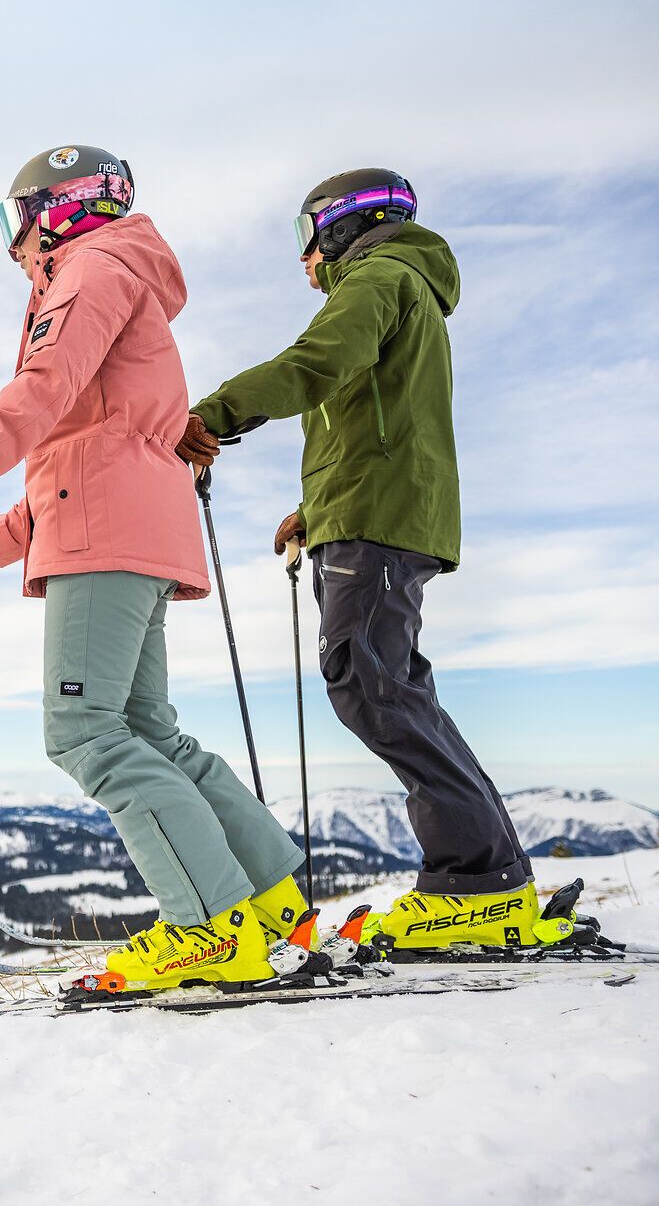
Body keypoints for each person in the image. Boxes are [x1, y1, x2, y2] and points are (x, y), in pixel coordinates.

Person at [0, 145, 309, 990]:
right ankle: (269, 905)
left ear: (62, 207)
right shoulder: (120, 276)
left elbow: (39, 398)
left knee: (85, 732)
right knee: (149, 731)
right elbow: (93, 445)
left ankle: (211, 930)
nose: (13, 245)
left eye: (16, 218)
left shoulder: (91, 270)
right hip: (128, 528)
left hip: (105, 539)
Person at [177, 168, 572, 951]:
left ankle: (477, 879)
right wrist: (317, 512)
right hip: (371, 512)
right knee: (387, 685)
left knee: (369, 683)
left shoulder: (379, 277)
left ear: (345, 226)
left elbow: (315, 364)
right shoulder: (401, 283)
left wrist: (208, 413)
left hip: (378, 520)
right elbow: (373, 417)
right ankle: (490, 876)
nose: (304, 260)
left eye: (307, 237)